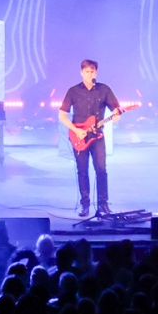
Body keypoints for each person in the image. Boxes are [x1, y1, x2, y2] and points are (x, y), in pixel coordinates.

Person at [59, 59, 123, 218]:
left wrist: (116, 115)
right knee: (82, 170)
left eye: (92, 71)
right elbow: (62, 115)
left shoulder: (104, 89)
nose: (90, 74)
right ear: (81, 73)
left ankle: (103, 204)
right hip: (79, 136)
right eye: (87, 71)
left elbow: (116, 109)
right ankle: (85, 205)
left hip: (98, 136)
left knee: (101, 169)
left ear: (96, 73)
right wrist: (76, 130)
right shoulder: (73, 91)